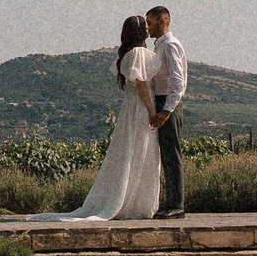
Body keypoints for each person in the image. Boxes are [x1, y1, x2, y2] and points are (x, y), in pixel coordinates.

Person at [31, 16, 163, 221]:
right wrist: (151, 110)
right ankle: (135, 204)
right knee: (141, 151)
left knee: (134, 151)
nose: (148, 28)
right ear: (138, 31)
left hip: (131, 108)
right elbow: (141, 84)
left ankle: (133, 201)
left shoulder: (127, 54)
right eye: (145, 26)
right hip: (140, 108)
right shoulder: (138, 53)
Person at [144, 5, 188, 218]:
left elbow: (178, 81)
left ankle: (176, 205)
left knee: (172, 153)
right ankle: (170, 202)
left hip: (168, 102)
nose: (147, 27)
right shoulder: (159, 46)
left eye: (150, 22)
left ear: (162, 21)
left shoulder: (170, 45)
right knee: (166, 153)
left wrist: (167, 110)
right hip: (162, 101)